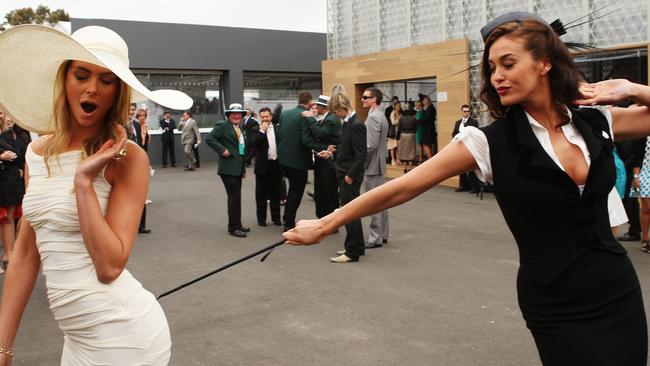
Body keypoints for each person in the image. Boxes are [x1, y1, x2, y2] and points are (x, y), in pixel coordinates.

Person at [285, 12, 650, 365]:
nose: (497, 77)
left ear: (544, 63)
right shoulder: (486, 142)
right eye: (491, 68)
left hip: (616, 289)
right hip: (555, 301)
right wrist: (327, 223)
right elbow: (401, 189)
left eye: (508, 64)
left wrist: (633, 88)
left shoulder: (595, 120)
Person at [0, 24, 191, 364]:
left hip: (124, 337)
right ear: (64, 79)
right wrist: (3, 346)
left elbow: (109, 266)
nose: (92, 89)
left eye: (106, 80)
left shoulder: (128, 158)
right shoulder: (35, 153)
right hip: (75, 338)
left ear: (117, 91)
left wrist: (84, 181)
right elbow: (26, 255)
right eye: (82, 75)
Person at [318, 86, 366, 263]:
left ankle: (352, 251)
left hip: (349, 176)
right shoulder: (348, 123)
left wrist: (350, 175)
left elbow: (361, 154)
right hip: (345, 173)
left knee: (349, 213)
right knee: (350, 212)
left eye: (335, 111)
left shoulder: (356, 125)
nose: (335, 115)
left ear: (341, 107)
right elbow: (347, 150)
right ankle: (355, 246)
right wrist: (332, 153)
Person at [277, 91, 325, 231]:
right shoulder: (305, 115)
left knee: (291, 190)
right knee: (295, 192)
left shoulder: (285, 113)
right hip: (298, 161)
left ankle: (286, 219)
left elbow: (280, 134)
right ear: (310, 102)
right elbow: (307, 140)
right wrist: (324, 148)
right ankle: (288, 222)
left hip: (283, 159)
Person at [206, 103, 250, 238]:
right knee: (234, 197)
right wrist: (222, 150)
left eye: (239, 114)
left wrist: (242, 169)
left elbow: (241, 149)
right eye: (233, 114)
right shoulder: (223, 126)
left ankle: (238, 224)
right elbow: (209, 138)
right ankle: (233, 228)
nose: (236, 116)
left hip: (237, 168)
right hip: (228, 168)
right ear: (229, 115)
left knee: (237, 197)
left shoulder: (238, 127)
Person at [302, 95, 341, 219]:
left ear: (324, 107)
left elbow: (320, 133)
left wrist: (311, 119)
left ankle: (330, 220)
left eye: (317, 105)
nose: (315, 107)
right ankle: (323, 217)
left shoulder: (331, 119)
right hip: (323, 159)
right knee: (321, 190)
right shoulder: (326, 118)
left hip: (328, 162)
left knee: (329, 191)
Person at [0, 117, 30, 270]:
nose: (7, 117)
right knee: (6, 218)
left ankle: (10, 255)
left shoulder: (20, 134)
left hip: (12, 181)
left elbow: (21, 156)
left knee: (10, 218)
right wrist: (1, 157)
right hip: (6, 179)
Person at [362, 87, 389, 249]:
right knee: (381, 201)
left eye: (366, 97)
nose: (362, 99)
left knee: (374, 202)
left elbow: (369, 146)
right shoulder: (380, 115)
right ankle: (382, 235)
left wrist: (361, 163)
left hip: (372, 165)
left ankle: (375, 237)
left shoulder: (373, 117)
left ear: (374, 100)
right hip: (378, 164)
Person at [249, 107, 282, 226]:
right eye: (262, 117)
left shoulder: (278, 128)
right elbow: (253, 144)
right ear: (259, 118)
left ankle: (276, 218)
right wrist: (262, 131)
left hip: (276, 164)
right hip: (262, 165)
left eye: (267, 116)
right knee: (261, 194)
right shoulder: (255, 129)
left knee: (276, 193)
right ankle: (261, 219)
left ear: (271, 117)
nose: (265, 119)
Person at [133, 108, 152, 234]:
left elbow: (144, 146)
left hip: (142, 159)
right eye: (140, 115)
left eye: (144, 115)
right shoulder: (132, 126)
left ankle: (142, 225)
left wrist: (147, 161)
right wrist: (120, 159)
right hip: (129, 161)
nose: (142, 117)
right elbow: (123, 146)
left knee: (142, 193)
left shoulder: (144, 127)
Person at [452, 105, 480, 192]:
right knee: (460, 167)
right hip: (460, 146)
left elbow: (475, 134)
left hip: (470, 146)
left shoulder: (474, 122)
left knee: (471, 167)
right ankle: (463, 185)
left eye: (468, 111)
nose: (466, 113)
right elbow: (454, 133)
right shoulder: (458, 122)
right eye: (464, 111)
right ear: (462, 112)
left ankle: (474, 186)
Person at [397, 108, 417, 173]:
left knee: (403, 150)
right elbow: (415, 128)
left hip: (403, 135)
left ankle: (405, 167)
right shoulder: (413, 119)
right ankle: (410, 167)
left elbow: (399, 128)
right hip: (411, 135)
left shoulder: (401, 118)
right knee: (411, 149)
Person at [420, 95, 437, 159]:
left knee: (426, 144)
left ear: (427, 101)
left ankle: (430, 159)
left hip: (428, 129)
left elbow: (426, 119)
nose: (423, 102)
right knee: (428, 144)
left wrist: (418, 120)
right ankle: (431, 158)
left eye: (424, 100)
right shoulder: (431, 108)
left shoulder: (430, 108)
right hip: (430, 128)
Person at [388, 101, 401, 165]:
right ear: (395, 106)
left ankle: (398, 159)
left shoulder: (399, 113)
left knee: (397, 146)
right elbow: (393, 122)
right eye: (398, 106)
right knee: (392, 147)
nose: (399, 107)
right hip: (393, 133)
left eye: (400, 106)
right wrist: (399, 119)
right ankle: (393, 160)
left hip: (398, 132)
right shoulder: (392, 113)